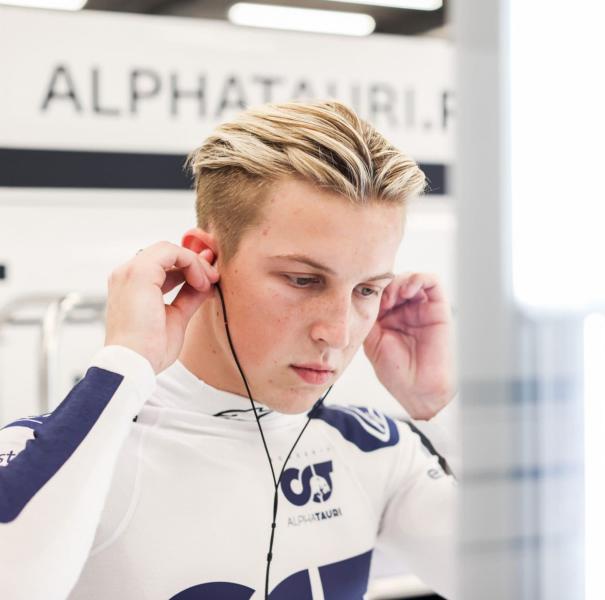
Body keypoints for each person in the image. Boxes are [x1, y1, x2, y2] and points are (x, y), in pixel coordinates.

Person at [0, 100, 458, 599]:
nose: (338, 331)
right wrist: (126, 362)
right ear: (205, 260)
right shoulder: (78, 453)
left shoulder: (372, 450)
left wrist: (441, 408)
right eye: (303, 280)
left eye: (367, 290)